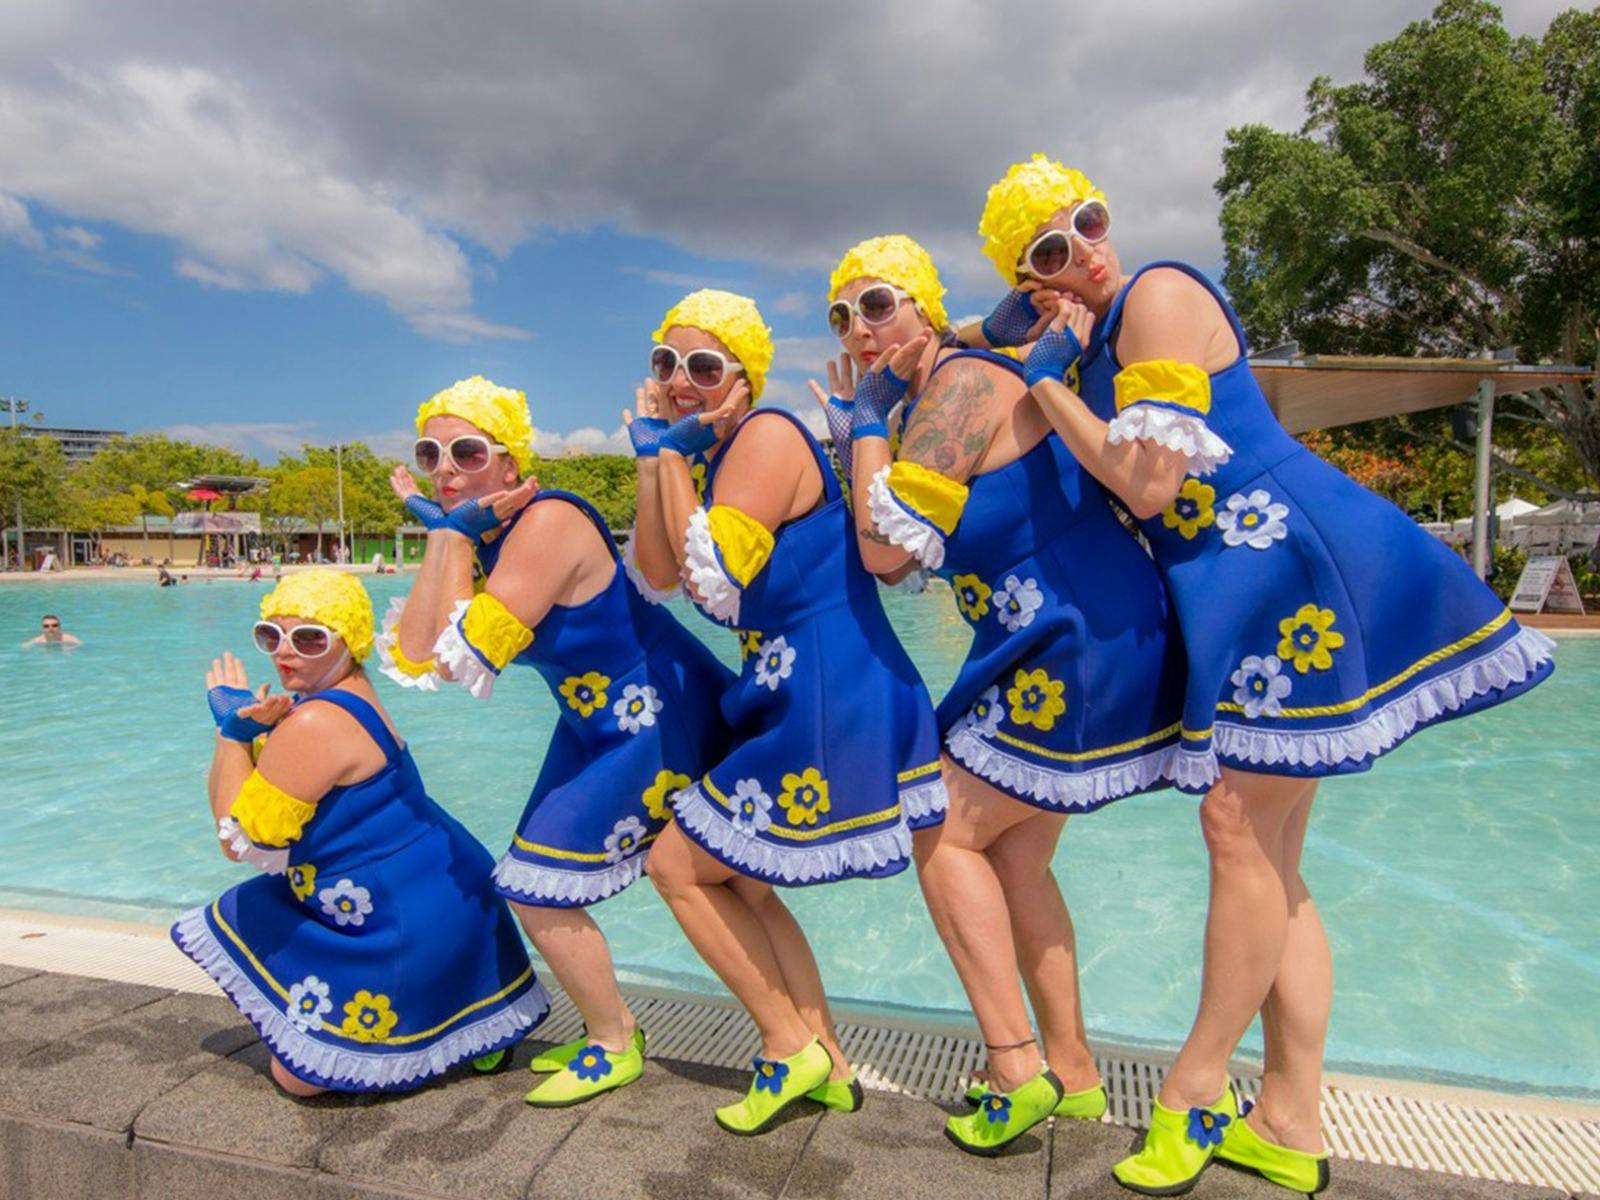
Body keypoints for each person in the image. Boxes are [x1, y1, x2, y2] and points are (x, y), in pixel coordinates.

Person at [982, 153, 1556, 1195]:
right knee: (1274, 867)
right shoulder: (1095, 329)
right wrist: (984, 334)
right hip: (1240, 585)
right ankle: (1288, 1121)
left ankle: (1194, 1090)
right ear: (1037, 280)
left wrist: (1044, 386)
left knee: (1235, 829)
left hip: (1289, 560)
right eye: (1056, 246)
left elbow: (1149, 486)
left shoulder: (1155, 295)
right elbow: (987, 336)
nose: (1090, 246)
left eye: (1091, 219)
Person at [817, 236, 1185, 1154]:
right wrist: (876, 420)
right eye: (842, 314)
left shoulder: (961, 388)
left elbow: (883, 553)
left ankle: (1016, 1066)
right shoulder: (944, 388)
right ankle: (1076, 1075)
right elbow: (906, 559)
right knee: (1015, 860)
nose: (860, 330)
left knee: (936, 825)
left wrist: (864, 425)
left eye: (880, 304)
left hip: (1072, 641)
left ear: (926, 309)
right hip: (1047, 640)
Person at [627, 289, 945, 1135]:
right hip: (796, 687)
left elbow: (710, 578)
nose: (680, 381)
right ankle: (829, 1064)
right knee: (746, 884)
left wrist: (670, 454)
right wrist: (655, 456)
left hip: (825, 688)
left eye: (703, 367)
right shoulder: (703, 457)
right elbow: (657, 575)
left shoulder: (765, 438)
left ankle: (784, 1045)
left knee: (675, 866)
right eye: (666, 364)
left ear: (744, 378)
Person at [379, 375, 732, 1107]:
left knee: (537, 887)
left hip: (657, 716)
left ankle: (617, 1041)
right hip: (593, 726)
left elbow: (459, 656)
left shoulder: (548, 523)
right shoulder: (485, 533)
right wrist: (447, 532)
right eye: (431, 453)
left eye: (467, 451)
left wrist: (445, 530)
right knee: (536, 883)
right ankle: (621, 1032)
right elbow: (417, 654)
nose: (445, 469)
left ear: (510, 465)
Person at [172, 570, 548, 1095]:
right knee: (263, 905)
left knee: (298, 1076)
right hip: (448, 899)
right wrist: (253, 732)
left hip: (401, 921)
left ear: (348, 641)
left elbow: (235, 838)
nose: (284, 653)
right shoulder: (350, 693)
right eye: (270, 635)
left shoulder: (311, 723)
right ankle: (459, 1027)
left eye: (308, 638)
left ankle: (421, 1042)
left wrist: (231, 734)